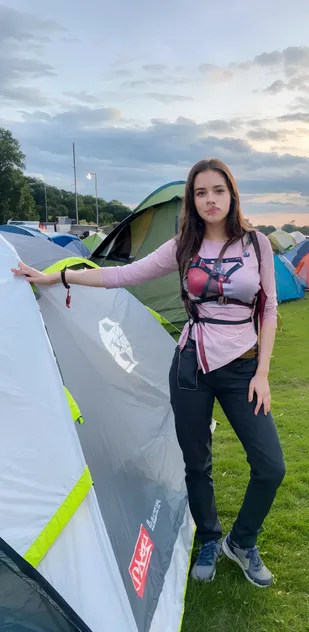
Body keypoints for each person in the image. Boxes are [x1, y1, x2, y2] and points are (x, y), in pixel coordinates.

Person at [11, 158, 286, 588]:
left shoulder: (256, 245)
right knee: (196, 463)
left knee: (270, 466)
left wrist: (263, 371)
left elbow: (268, 308)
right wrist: (59, 276)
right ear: (191, 201)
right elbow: (124, 274)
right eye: (200, 192)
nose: (210, 199)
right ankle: (211, 538)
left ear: (232, 194)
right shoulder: (184, 245)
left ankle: (242, 541)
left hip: (243, 366)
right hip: (191, 365)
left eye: (218, 190)